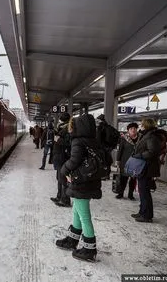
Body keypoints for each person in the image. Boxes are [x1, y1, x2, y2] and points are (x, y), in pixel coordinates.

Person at [56, 114, 102, 262]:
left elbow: (74, 160)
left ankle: (90, 248)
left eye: (71, 125)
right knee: (76, 209)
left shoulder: (78, 141)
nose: (70, 128)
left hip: (81, 181)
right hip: (88, 180)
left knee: (84, 215)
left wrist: (64, 170)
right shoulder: (93, 140)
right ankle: (73, 239)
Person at [131, 118, 163, 223]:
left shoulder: (151, 136)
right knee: (142, 191)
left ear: (146, 126)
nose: (140, 126)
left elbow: (152, 151)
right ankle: (142, 211)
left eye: (142, 124)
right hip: (144, 167)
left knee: (145, 192)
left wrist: (139, 155)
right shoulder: (147, 135)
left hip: (147, 168)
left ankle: (147, 216)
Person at [50, 112, 71, 207]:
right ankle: (59, 197)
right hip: (59, 156)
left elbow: (69, 142)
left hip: (63, 157)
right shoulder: (62, 127)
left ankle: (65, 200)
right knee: (59, 178)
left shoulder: (69, 129)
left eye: (60, 119)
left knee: (63, 180)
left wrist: (58, 139)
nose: (59, 121)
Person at [115, 122, 138, 200]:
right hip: (125, 162)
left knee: (133, 179)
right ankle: (120, 193)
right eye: (131, 129)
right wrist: (118, 160)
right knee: (123, 178)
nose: (133, 130)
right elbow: (120, 150)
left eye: (135, 128)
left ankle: (130, 194)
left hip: (136, 162)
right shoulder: (124, 139)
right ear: (128, 130)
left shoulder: (140, 139)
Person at [96, 114, 119, 179]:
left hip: (102, 147)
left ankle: (104, 175)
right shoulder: (109, 127)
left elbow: (98, 138)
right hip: (109, 147)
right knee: (107, 161)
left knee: (103, 161)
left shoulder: (101, 127)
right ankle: (106, 175)